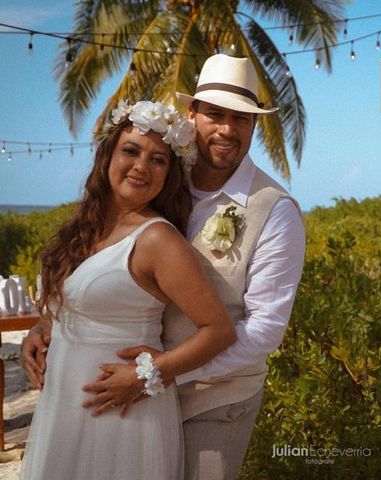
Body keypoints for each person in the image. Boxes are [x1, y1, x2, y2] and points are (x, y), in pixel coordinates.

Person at [22, 54, 306, 479]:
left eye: (242, 118)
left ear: (253, 126)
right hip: (128, 388)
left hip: (215, 398)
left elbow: (264, 329)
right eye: (215, 114)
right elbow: (107, 272)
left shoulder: (275, 211)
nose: (227, 129)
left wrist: (161, 372)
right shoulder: (160, 177)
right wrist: (50, 326)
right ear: (192, 115)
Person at [19, 100, 237, 480]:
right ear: (107, 156)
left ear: (168, 175)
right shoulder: (82, 229)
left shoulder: (158, 240)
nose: (141, 166)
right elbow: (72, 306)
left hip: (122, 414)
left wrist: (147, 374)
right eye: (131, 151)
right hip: (63, 406)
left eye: (158, 160)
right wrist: (41, 331)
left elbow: (218, 331)